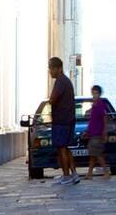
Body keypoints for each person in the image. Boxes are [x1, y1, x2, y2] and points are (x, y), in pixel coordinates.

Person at [46, 57, 80, 185]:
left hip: (61, 120)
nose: (50, 71)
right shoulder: (66, 81)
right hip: (67, 119)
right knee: (65, 147)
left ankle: (66, 175)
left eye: (52, 68)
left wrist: (51, 101)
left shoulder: (60, 82)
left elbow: (53, 98)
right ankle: (74, 174)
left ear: (58, 69)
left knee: (61, 148)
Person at [81, 85, 116, 180]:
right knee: (93, 154)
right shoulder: (94, 105)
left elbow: (104, 118)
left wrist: (104, 132)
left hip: (98, 133)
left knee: (98, 154)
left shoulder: (100, 105)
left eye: (96, 93)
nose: (94, 95)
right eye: (93, 93)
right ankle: (90, 173)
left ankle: (105, 172)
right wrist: (87, 131)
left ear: (99, 94)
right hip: (92, 133)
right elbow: (92, 120)